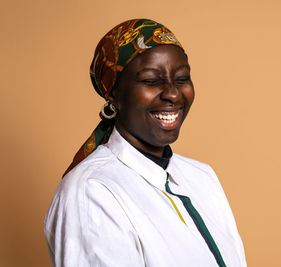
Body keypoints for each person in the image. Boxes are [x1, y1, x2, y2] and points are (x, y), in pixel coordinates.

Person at [44, 18, 247, 267]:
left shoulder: (202, 177)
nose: (173, 93)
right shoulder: (91, 191)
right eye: (151, 81)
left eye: (182, 79)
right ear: (114, 94)